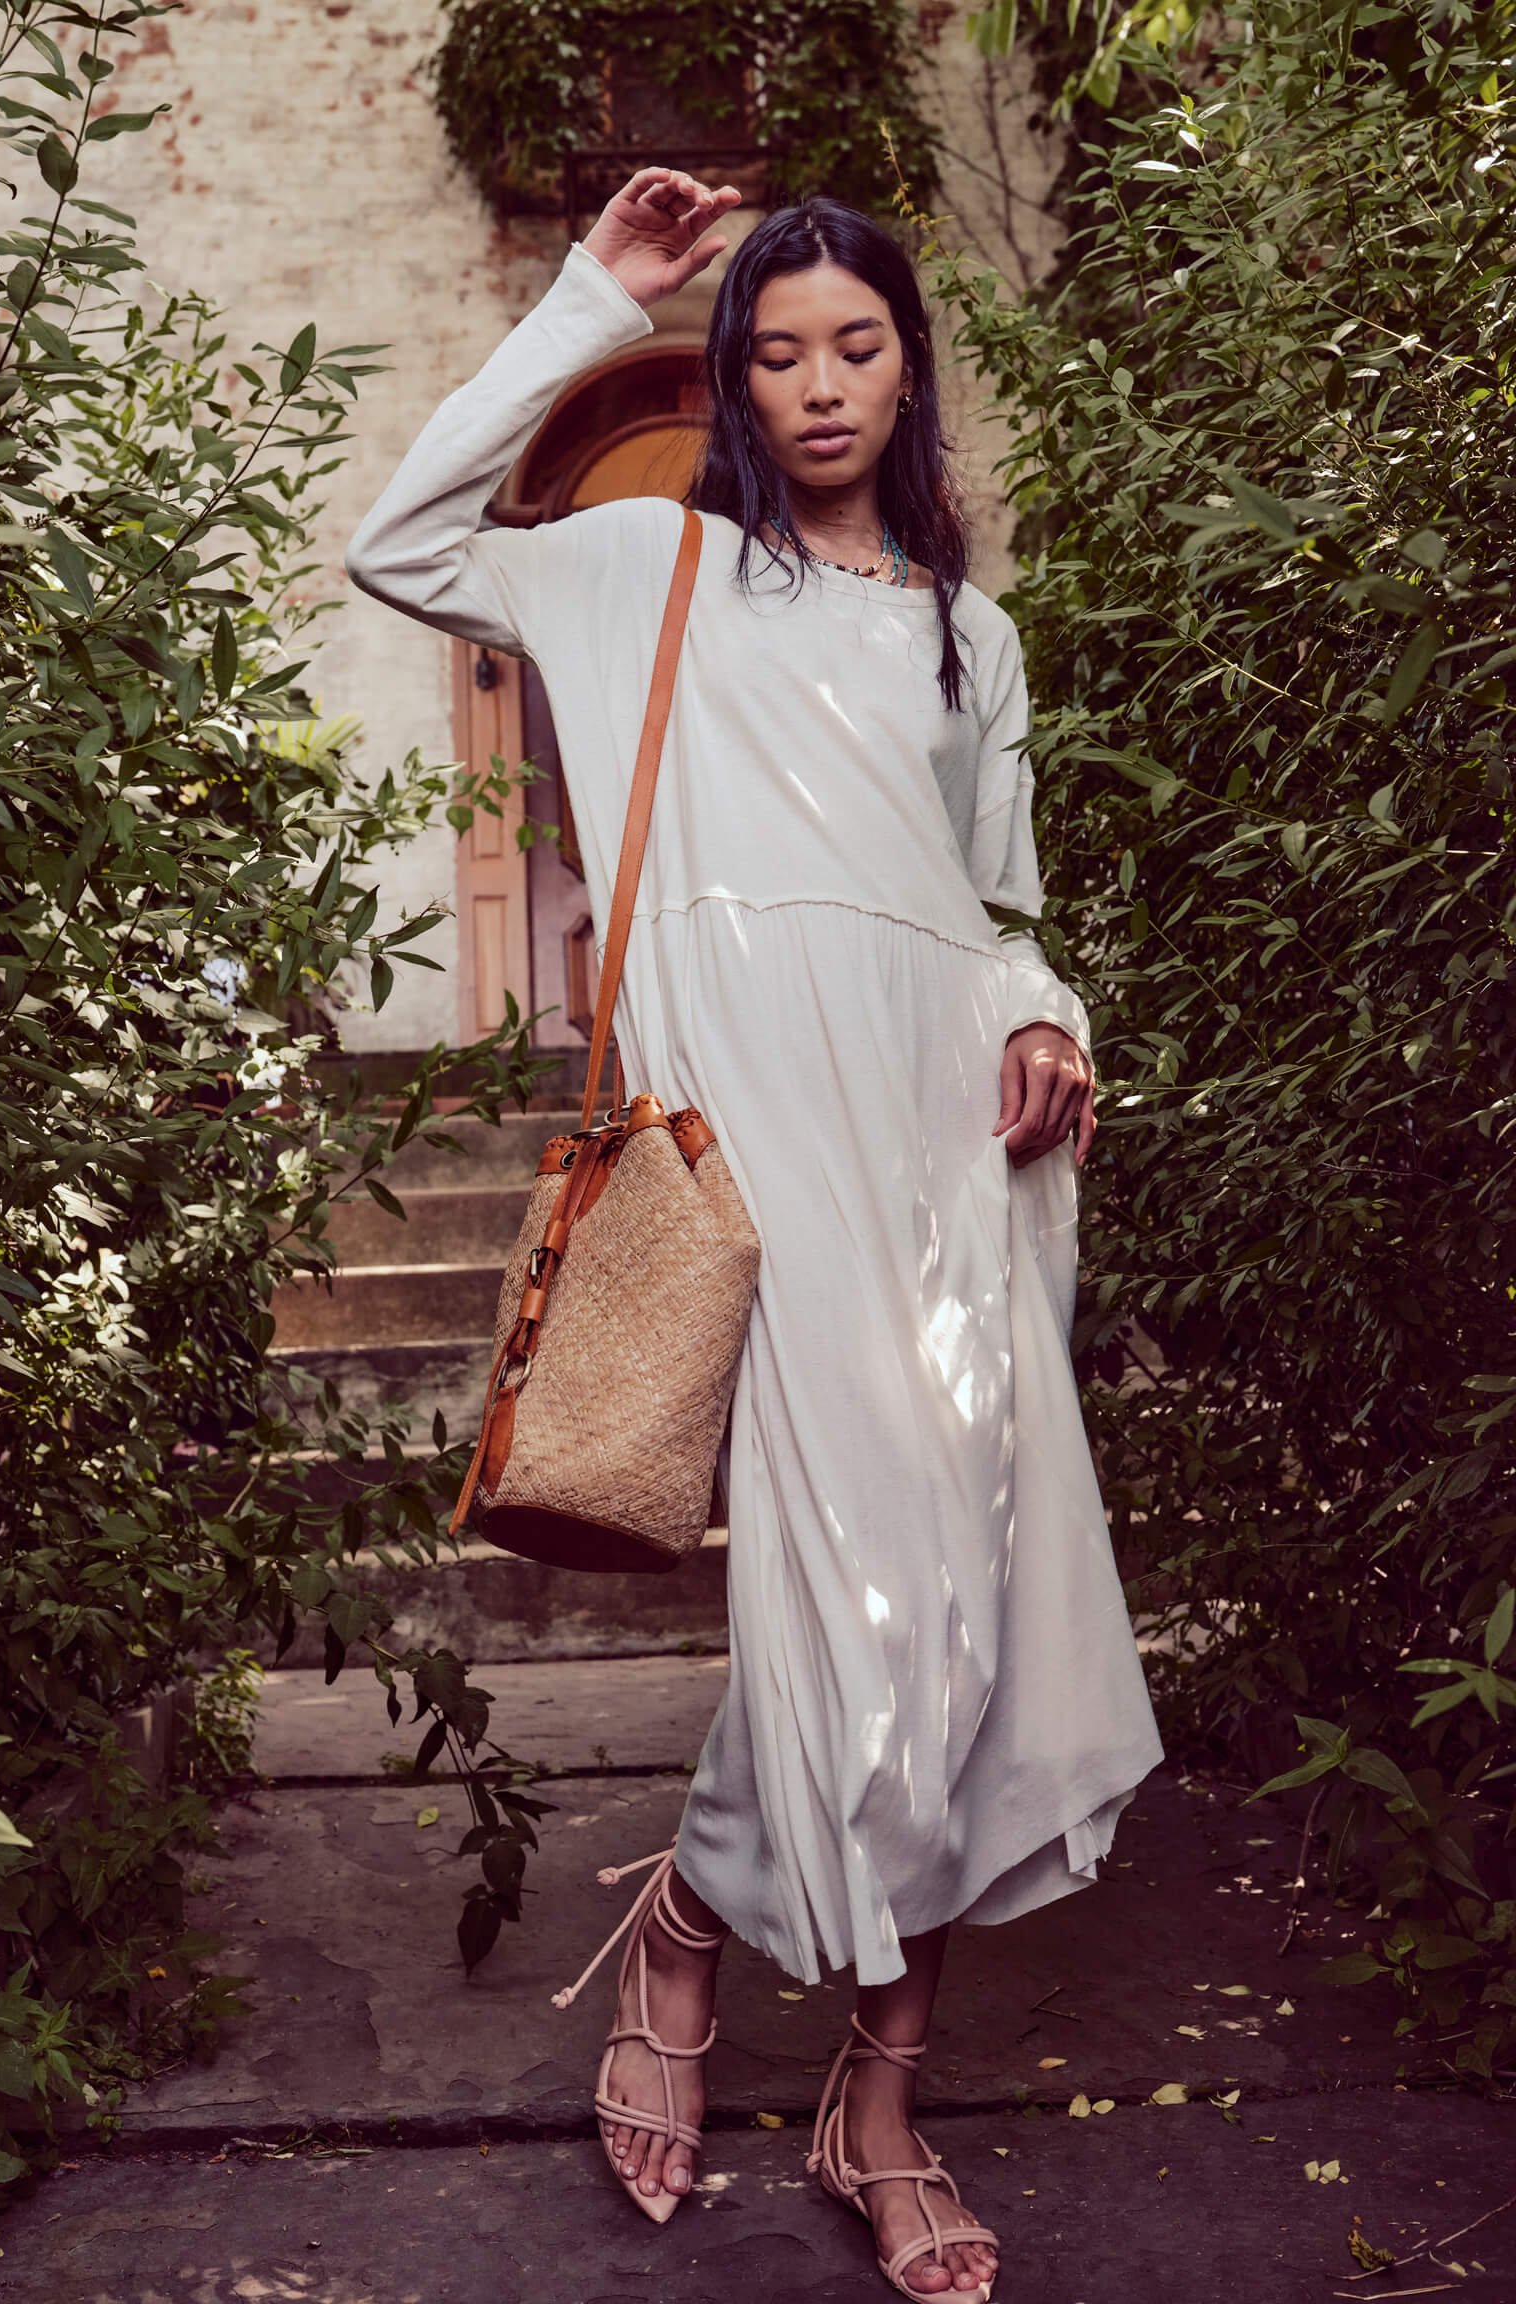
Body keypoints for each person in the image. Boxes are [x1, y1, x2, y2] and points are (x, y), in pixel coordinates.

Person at [346, 165, 1164, 2301]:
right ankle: (718, 1953)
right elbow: (401, 542)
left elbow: (998, 912)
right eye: (777, 349)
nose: (819, 386)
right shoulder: (654, 578)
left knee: (973, 1618)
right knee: (856, 1613)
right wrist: (586, 296)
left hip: (948, 1157)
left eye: (859, 345)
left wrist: (1052, 1028)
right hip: (766, 1154)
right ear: (734, 373)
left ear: (912, 368)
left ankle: (848, 2079)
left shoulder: (963, 636)